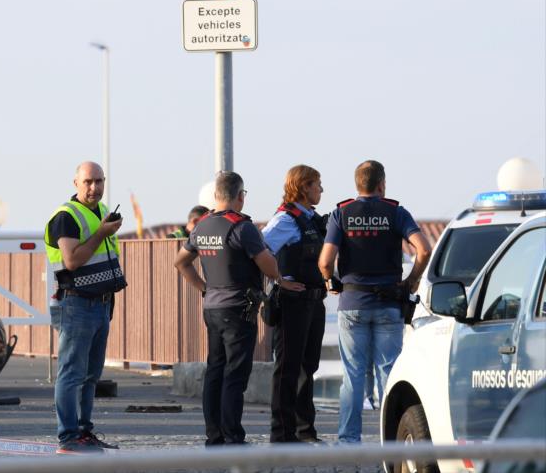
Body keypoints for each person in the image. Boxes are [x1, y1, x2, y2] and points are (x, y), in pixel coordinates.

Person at [174, 171, 304, 446]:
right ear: (239, 196)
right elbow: (267, 263)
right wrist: (280, 278)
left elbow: (181, 262)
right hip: (238, 309)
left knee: (215, 370)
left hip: (212, 309)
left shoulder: (202, 225)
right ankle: (233, 436)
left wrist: (203, 288)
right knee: (235, 374)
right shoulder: (242, 227)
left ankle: (214, 435)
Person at [317, 160, 431, 443]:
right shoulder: (396, 212)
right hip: (389, 304)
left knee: (353, 375)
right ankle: (390, 440)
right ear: (382, 184)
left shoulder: (340, 214)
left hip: (352, 302)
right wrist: (411, 281)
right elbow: (424, 250)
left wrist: (331, 281)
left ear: (358, 184)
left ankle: (348, 441)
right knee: (389, 374)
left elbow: (325, 261)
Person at [45, 161, 127, 454]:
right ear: (76, 184)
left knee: (91, 375)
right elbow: (72, 261)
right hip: (76, 303)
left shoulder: (102, 213)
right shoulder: (65, 217)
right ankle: (68, 437)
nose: (94, 188)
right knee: (71, 373)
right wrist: (102, 234)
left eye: (99, 181)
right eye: (88, 182)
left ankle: (83, 432)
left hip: (101, 303)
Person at [261, 165, 327, 443]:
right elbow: (259, 249)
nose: (321, 190)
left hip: (314, 301)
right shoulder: (286, 220)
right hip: (292, 303)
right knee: (287, 368)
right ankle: (282, 432)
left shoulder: (312, 219)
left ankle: (304, 430)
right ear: (303, 187)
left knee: (307, 368)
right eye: (317, 185)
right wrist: (279, 280)